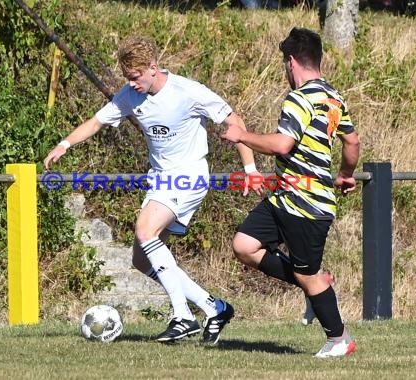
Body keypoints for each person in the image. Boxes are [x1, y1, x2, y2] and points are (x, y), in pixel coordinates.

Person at [44, 35, 264, 345]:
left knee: (145, 229)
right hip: (160, 180)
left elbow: (232, 120)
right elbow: (96, 122)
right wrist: (64, 144)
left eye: (135, 77)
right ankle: (214, 307)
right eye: (127, 79)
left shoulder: (188, 91)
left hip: (189, 176)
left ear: (153, 68)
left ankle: (183, 317)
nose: (132, 84)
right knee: (142, 260)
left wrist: (250, 170)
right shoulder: (131, 95)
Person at [221, 27, 360, 358]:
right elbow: (352, 142)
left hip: (307, 206)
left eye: (285, 63)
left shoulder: (298, 98)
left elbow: (283, 144)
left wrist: (241, 135)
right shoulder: (334, 98)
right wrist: (345, 174)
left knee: (307, 274)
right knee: (244, 245)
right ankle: (314, 282)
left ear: (292, 61)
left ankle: (339, 338)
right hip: (283, 197)